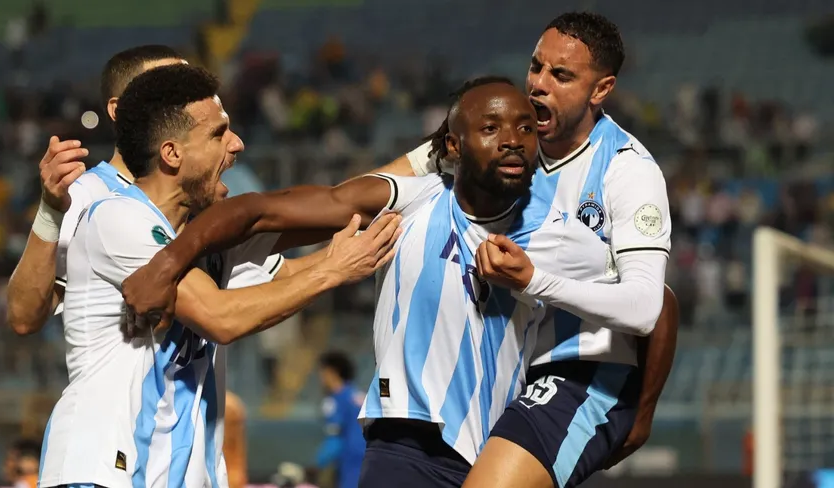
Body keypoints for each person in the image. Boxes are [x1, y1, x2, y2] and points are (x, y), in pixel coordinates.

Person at [120, 76, 564, 486]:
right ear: (453, 144)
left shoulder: (559, 230)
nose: (511, 140)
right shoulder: (411, 199)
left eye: (525, 128)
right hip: (407, 444)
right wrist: (167, 263)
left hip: (502, 453)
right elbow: (257, 214)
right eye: (491, 127)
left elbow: (623, 306)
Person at [37, 64, 400, 488]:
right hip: (102, 467)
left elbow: (328, 215)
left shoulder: (201, 238)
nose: (237, 144)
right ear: (172, 154)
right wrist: (333, 269)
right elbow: (220, 317)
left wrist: (426, 166)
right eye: (218, 134)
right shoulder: (117, 217)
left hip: (164, 471)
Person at [380, 12, 673, 488]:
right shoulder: (493, 136)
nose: (538, 84)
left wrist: (533, 280)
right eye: (536, 66)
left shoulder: (627, 170)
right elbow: (379, 187)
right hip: (506, 368)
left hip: (584, 374)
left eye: (561, 76)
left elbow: (648, 306)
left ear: (601, 89)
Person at [6, 45, 187, 336]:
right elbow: (23, 316)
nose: (184, 104)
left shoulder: (202, 193)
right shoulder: (86, 195)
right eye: (165, 90)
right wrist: (50, 211)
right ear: (119, 109)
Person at [314, 351, 366, 488]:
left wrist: (316, 464)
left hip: (351, 460)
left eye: (322, 372)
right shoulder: (359, 396)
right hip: (370, 456)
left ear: (332, 372)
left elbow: (335, 439)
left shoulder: (335, 401)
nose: (320, 377)